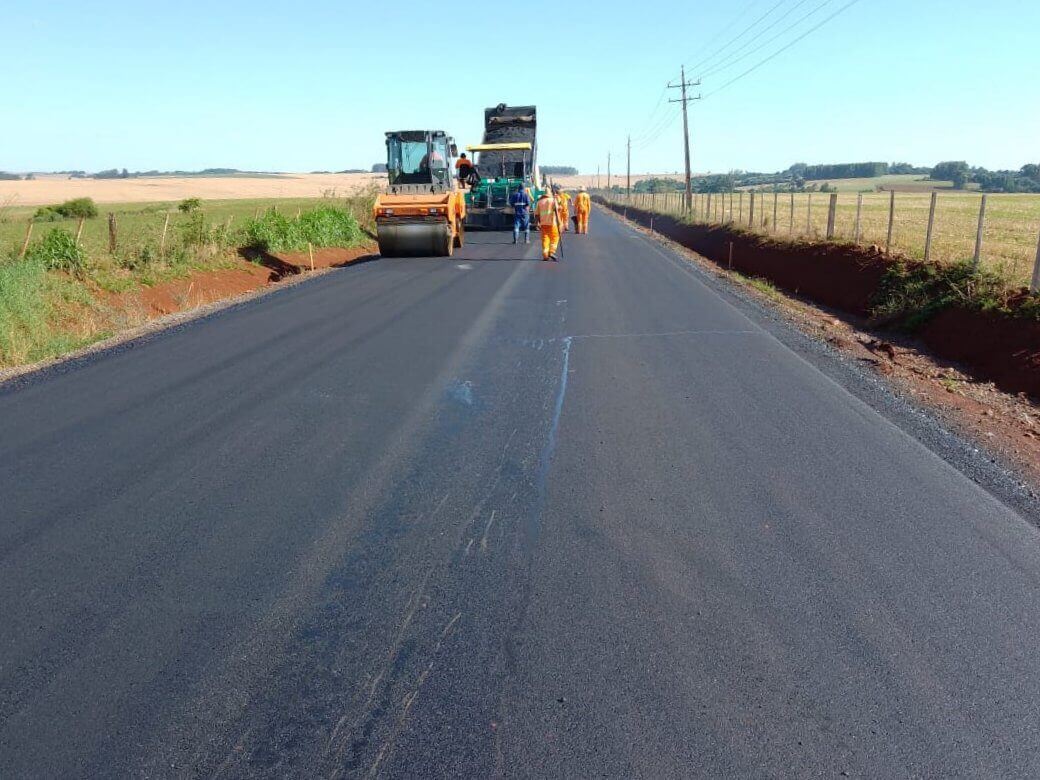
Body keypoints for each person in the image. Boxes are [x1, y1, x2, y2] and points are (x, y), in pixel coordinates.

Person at [535, 189, 561, 261]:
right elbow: (558, 210)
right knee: (555, 237)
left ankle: (545, 255)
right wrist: (559, 222)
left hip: (543, 223)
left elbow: (536, 214)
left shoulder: (539, 202)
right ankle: (551, 251)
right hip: (552, 223)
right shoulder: (553, 200)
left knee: (545, 239)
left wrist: (537, 223)